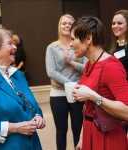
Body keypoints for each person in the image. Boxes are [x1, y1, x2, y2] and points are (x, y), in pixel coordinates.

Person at [0, 27, 46, 150]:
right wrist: (14, 128)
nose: (15, 47)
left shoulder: (18, 75)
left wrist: (38, 115)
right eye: (9, 43)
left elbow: (33, 106)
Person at [70, 16, 128, 150]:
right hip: (91, 131)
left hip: (108, 136)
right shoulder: (89, 65)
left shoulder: (111, 66)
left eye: (73, 39)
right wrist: (82, 138)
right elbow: (88, 108)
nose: (71, 44)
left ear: (88, 39)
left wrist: (94, 96)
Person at [45, 14, 87, 150]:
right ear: (59, 26)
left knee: (78, 131)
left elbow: (86, 69)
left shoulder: (80, 46)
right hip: (58, 95)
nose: (67, 25)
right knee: (61, 132)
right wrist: (70, 83)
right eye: (64, 23)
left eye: (70, 23)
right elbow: (51, 72)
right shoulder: (51, 47)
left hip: (77, 94)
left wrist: (71, 62)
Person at [110, 9, 128, 137]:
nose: (115, 26)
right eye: (113, 23)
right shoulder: (113, 48)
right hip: (117, 97)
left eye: (119, 23)